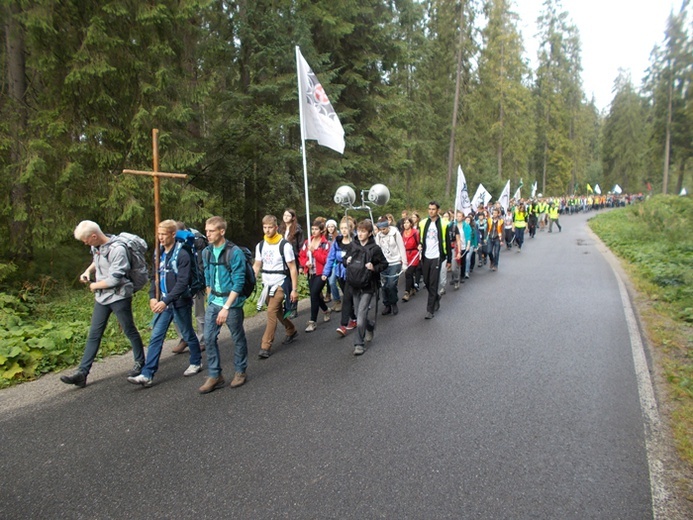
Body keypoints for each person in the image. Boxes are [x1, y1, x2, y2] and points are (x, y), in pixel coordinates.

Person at [61, 221, 145, 388]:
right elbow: (96, 258)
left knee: (129, 330)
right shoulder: (97, 246)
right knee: (94, 333)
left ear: (94, 236)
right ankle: (82, 373)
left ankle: (140, 363)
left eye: (86, 240)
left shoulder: (118, 250)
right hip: (102, 298)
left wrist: (94, 285)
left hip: (119, 296)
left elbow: (115, 278)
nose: (85, 243)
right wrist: (88, 271)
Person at [128, 220, 203, 388]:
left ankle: (196, 361)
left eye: (163, 234)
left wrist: (165, 300)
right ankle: (147, 374)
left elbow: (182, 282)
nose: (160, 238)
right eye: (158, 234)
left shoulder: (182, 254)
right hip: (164, 302)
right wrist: (152, 297)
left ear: (173, 234)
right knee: (156, 336)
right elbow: (156, 277)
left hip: (180, 301)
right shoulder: (159, 253)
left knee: (187, 332)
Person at [196, 216, 249, 394]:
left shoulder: (235, 253)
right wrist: (211, 299)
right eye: (206, 231)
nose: (207, 234)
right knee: (209, 337)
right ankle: (215, 375)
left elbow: (239, 282)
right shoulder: (206, 252)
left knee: (237, 337)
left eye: (211, 231)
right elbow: (207, 277)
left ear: (222, 231)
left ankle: (240, 371)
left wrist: (226, 307)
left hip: (232, 303)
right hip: (214, 302)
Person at [254, 215, 299, 358]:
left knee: (271, 312)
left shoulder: (284, 245)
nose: (267, 230)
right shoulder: (260, 245)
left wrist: (294, 289)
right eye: (264, 227)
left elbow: (292, 268)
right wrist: (250, 282)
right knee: (278, 311)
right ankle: (291, 329)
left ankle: (265, 345)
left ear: (276, 228)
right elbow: (257, 265)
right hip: (267, 283)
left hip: (281, 283)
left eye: (270, 227)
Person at [344, 219, 387, 355]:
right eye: (359, 231)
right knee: (358, 314)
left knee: (361, 315)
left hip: (368, 286)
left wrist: (374, 267)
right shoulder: (353, 245)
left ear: (369, 233)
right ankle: (370, 326)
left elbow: (385, 264)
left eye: (363, 231)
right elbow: (344, 260)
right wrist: (347, 260)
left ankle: (359, 344)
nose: (360, 234)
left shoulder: (375, 249)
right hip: (354, 285)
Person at [171, 221, 207, 355]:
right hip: (179, 283)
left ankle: (202, 340)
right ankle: (184, 338)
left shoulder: (197, 240)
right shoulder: (173, 241)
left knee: (199, 312)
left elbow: (202, 262)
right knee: (177, 313)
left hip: (197, 281)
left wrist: (200, 281)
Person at [323, 217, 358, 337]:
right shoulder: (337, 242)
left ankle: (343, 325)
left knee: (347, 298)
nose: (343, 230)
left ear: (351, 228)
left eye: (346, 228)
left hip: (353, 273)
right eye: (342, 228)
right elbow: (330, 258)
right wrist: (325, 273)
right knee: (349, 297)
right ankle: (354, 318)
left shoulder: (356, 241)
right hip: (340, 272)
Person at [418, 201, 451, 319]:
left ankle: (429, 310)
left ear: (438, 211)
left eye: (433, 209)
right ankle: (436, 297)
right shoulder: (423, 223)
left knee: (433, 283)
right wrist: (420, 244)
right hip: (426, 256)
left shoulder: (443, 224)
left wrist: (449, 259)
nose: (431, 211)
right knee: (426, 282)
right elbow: (422, 239)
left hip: (437, 256)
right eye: (429, 209)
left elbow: (447, 241)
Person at [298, 219, 332, 332]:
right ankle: (326, 310)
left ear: (322, 230)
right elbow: (301, 256)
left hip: (321, 273)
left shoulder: (325, 244)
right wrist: (305, 264)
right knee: (316, 294)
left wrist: (314, 252)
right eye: (312, 229)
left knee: (314, 294)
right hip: (311, 272)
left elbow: (325, 260)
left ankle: (312, 321)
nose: (313, 231)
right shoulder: (307, 242)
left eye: (316, 229)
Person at [374, 216, 407, 316]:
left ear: (388, 226)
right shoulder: (378, 236)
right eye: (380, 229)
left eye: (384, 229)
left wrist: (404, 263)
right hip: (384, 263)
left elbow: (401, 248)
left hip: (395, 262)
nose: (382, 231)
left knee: (391, 285)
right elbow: (377, 251)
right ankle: (386, 304)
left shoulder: (395, 234)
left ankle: (393, 303)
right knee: (384, 286)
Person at [278, 209, 303, 318]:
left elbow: (301, 246)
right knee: (285, 283)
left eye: (288, 215)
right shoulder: (280, 229)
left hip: (293, 258)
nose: (285, 217)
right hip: (281, 259)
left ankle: (293, 307)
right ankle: (286, 305)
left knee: (292, 282)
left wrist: (302, 264)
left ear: (293, 217)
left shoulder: (297, 229)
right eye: (284, 215)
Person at [401, 217, 420, 301]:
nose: (406, 224)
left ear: (411, 224)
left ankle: (407, 292)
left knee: (408, 273)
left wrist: (420, 247)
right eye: (404, 223)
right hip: (405, 255)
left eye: (407, 223)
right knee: (409, 273)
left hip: (414, 254)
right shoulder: (402, 233)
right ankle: (412, 288)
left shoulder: (415, 233)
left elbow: (419, 243)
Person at [324, 219, 341, 310]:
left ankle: (338, 301)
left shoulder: (338, 236)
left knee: (332, 282)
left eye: (332, 226)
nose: (330, 228)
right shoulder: (324, 237)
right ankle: (337, 301)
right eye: (329, 226)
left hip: (336, 262)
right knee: (331, 282)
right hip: (327, 263)